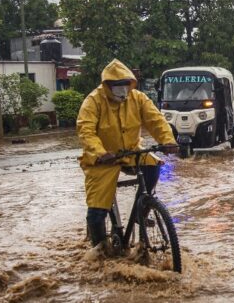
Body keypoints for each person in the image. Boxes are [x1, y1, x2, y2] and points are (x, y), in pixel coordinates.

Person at [76, 59, 178, 258]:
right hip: (103, 159)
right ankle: (100, 251)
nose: (122, 90)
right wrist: (100, 152)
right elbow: (85, 130)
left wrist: (168, 141)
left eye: (125, 85)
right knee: (97, 210)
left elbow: (155, 120)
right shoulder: (93, 101)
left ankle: (144, 209)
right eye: (117, 86)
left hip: (131, 152)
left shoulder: (137, 98)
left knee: (153, 164)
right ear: (107, 86)